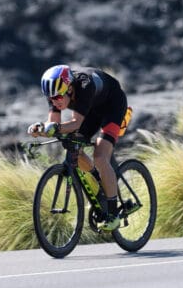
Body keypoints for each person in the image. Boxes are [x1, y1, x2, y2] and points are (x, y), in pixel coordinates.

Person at [27, 64, 128, 231]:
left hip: (112, 106)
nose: (54, 102)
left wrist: (54, 129)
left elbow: (75, 124)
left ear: (69, 89)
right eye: (50, 99)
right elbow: (54, 124)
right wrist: (40, 129)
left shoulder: (84, 85)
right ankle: (98, 182)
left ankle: (113, 214)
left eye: (58, 98)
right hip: (91, 111)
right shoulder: (55, 91)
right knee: (74, 148)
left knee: (100, 156)